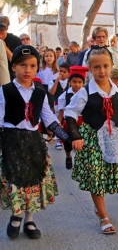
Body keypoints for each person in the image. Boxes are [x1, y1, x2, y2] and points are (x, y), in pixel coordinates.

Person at [0, 45, 70, 239]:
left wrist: (66, 137)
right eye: (23, 65)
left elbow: (49, 118)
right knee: (16, 182)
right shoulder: (4, 91)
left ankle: (29, 220)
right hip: (11, 141)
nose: (27, 70)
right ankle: (16, 216)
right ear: (13, 67)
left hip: (33, 143)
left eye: (32, 65)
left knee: (35, 182)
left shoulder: (40, 93)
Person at [65, 46, 118, 234]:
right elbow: (70, 113)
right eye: (96, 67)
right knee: (96, 176)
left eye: (105, 66)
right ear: (89, 68)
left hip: (112, 137)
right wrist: (76, 136)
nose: (102, 71)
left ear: (112, 65)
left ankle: (100, 206)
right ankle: (104, 217)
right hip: (92, 138)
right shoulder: (85, 92)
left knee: (107, 175)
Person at [58, 66, 87, 169]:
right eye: (74, 82)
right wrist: (59, 122)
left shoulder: (86, 94)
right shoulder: (65, 95)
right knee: (68, 142)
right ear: (70, 82)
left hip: (83, 122)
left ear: (83, 83)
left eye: (80, 82)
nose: (77, 84)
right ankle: (68, 156)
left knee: (82, 143)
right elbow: (62, 110)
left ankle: (80, 160)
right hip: (70, 122)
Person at [36, 49, 59, 142]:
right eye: (47, 56)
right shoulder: (41, 70)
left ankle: (51, 133)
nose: (49, 58)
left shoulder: (56, 71)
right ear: (44, 58)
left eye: (51, 56)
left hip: (51, 91)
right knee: (41, 112)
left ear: (54, 58)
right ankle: (44, 132)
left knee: (49, 112)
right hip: (41, 89)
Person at [49, 62, 71, 150]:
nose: (61, 73)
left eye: (64, 72)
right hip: (58, 105)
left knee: (68, 122)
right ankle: (59, 139)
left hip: (68, 105)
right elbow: (51, 92)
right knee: (59, 121)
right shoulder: (54, 81)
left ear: (69, 73)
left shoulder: (70, 81)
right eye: (60, 71)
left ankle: (68, 139)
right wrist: (57, 81)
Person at [0, 16, 22, 80]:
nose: (0, 36)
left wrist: (4, 48)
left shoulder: (15, 40)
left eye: (2, 33)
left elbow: (16, 61)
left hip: (11, 76)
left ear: (7, 29)